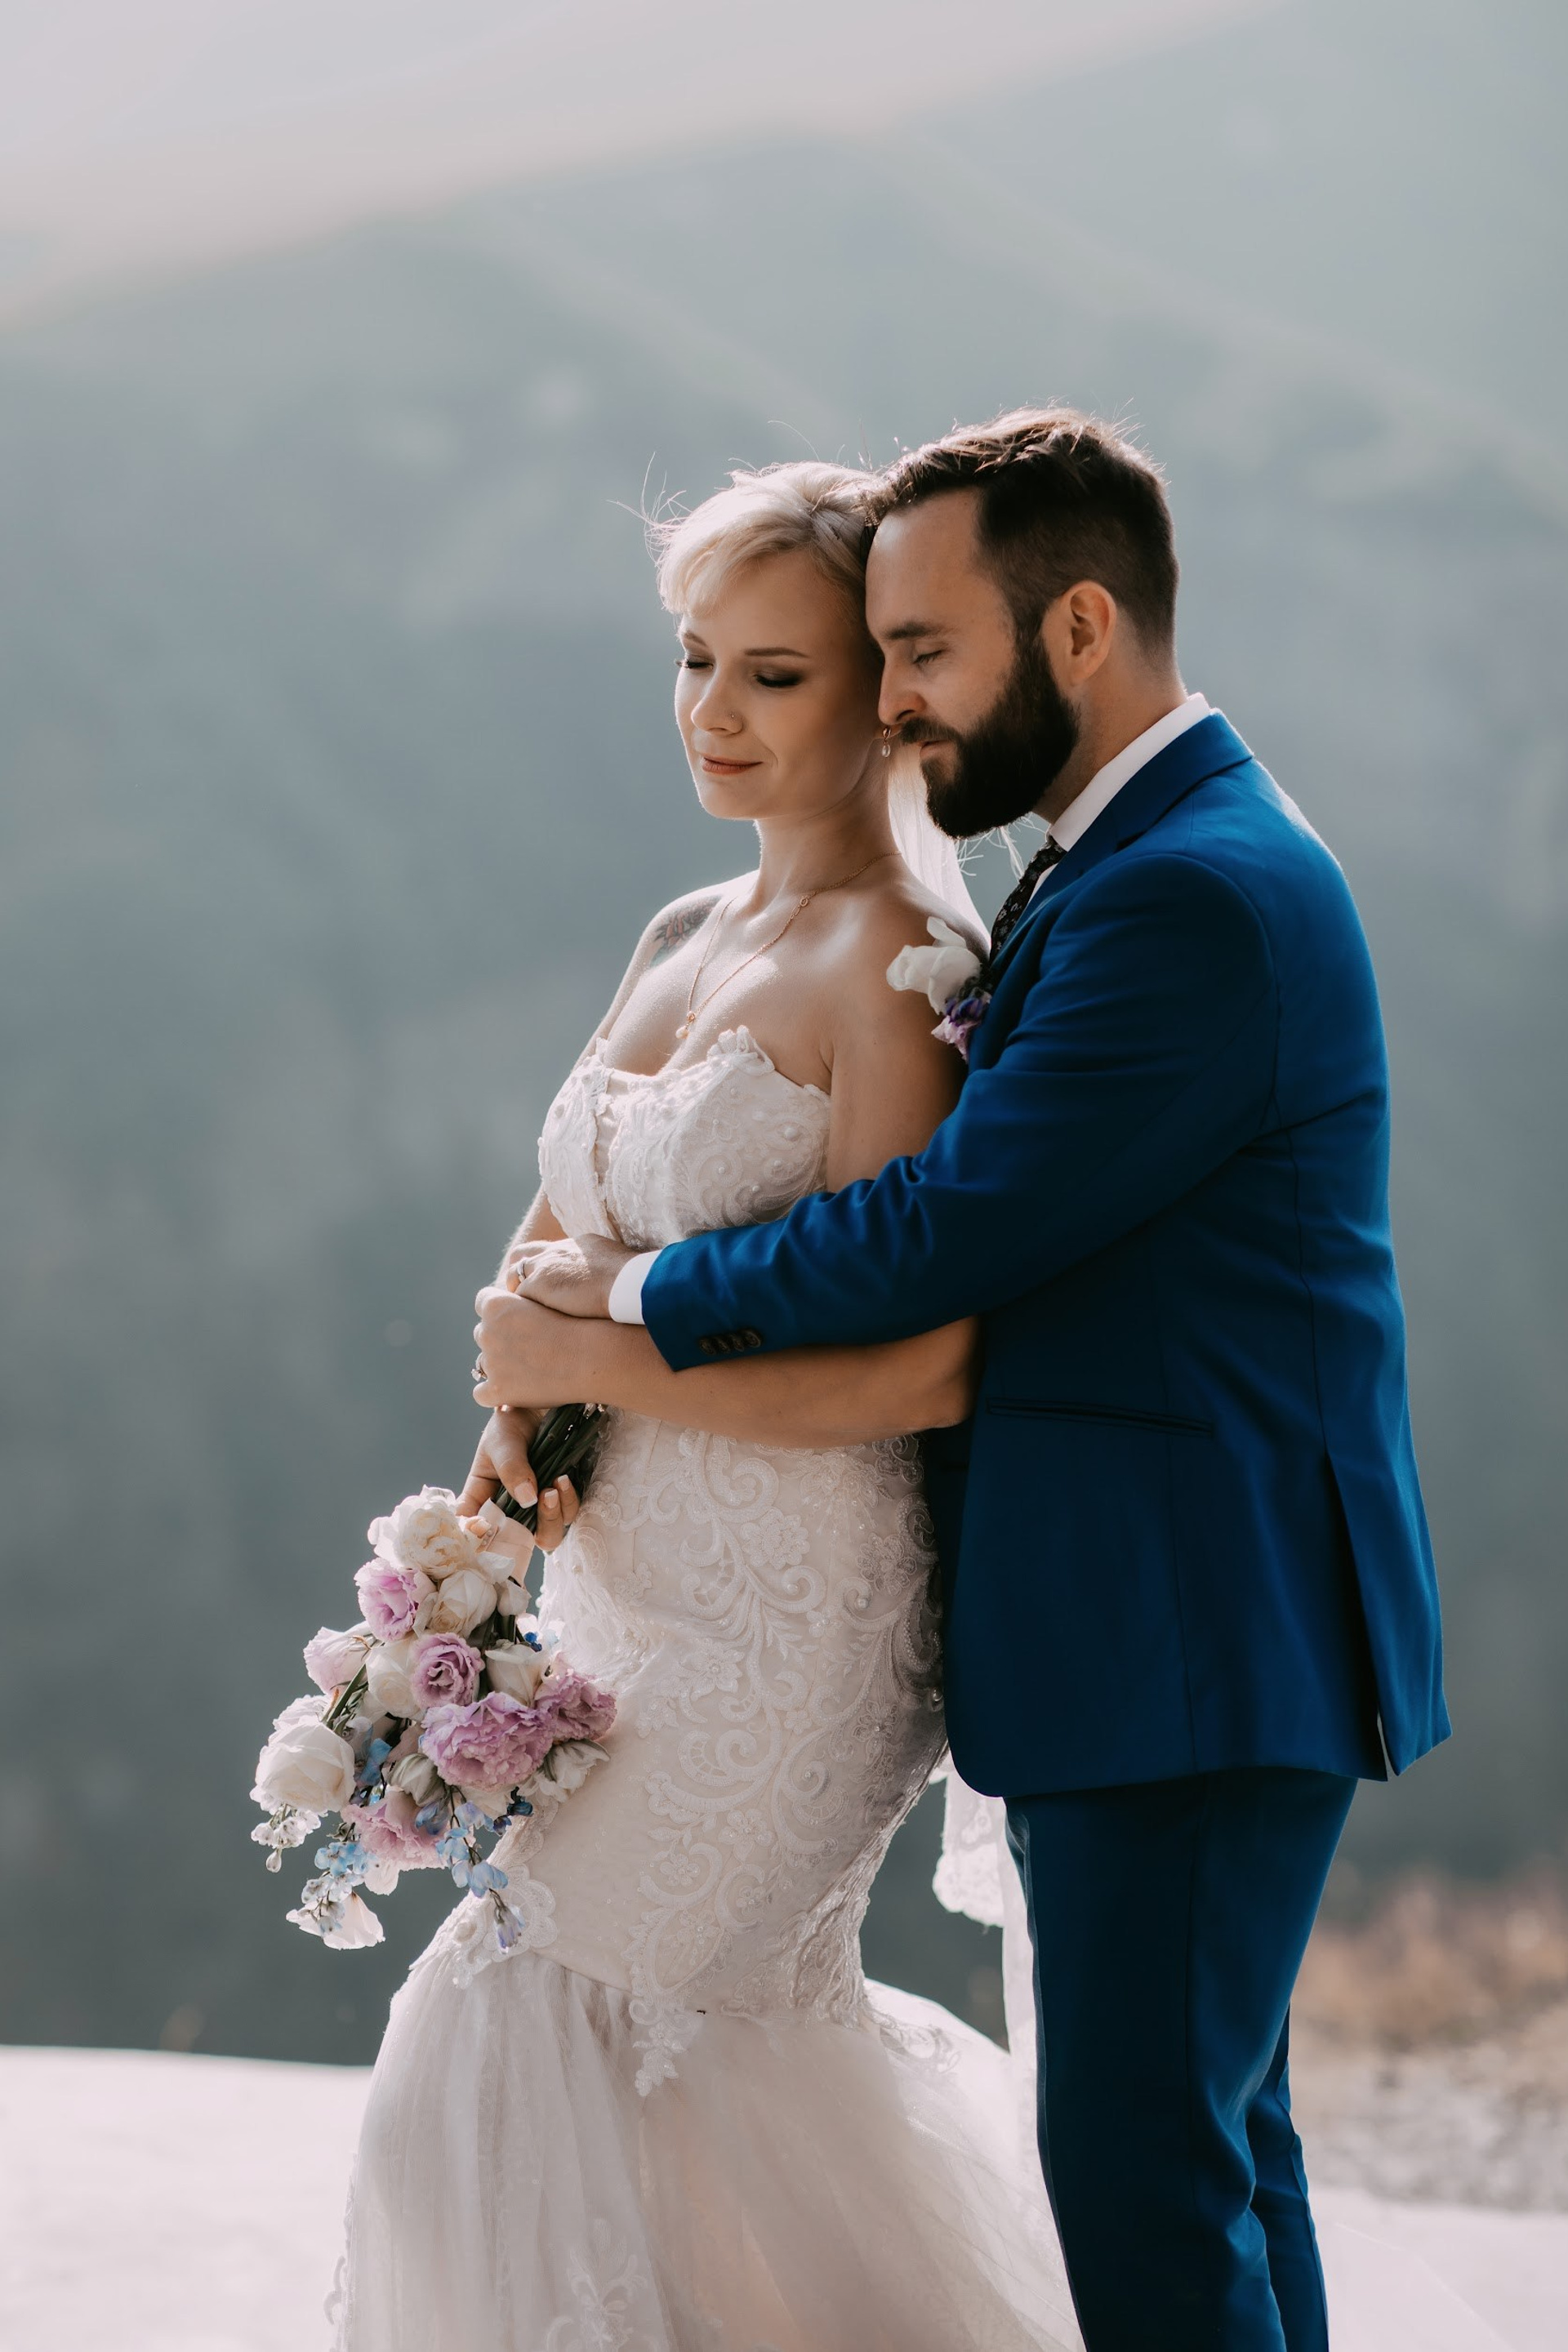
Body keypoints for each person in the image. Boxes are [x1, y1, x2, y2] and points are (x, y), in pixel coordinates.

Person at [490, 410, 1452, 2352]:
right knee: (1212, 2154)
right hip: (1174, 1623)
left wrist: (625, 1301)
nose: (900, 697)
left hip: (1188, 1630)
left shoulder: (1191, 895)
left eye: (921, 650)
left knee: (1144, 2177)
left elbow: (941, 1234)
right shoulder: (1130, 864)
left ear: (1079, 626)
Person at [332, 461, 1081, 2351]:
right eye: (693, 666)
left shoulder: (907, 975)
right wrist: (507, 1475)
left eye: (775, 676)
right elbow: (552, 1240)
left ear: (885, 697)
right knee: (578, 2068)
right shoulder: (683, 929)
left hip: (796, 1624)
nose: (715, 717)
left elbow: (928, 1362)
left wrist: (592, 1357)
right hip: (616, 1596)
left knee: (537, 2028)